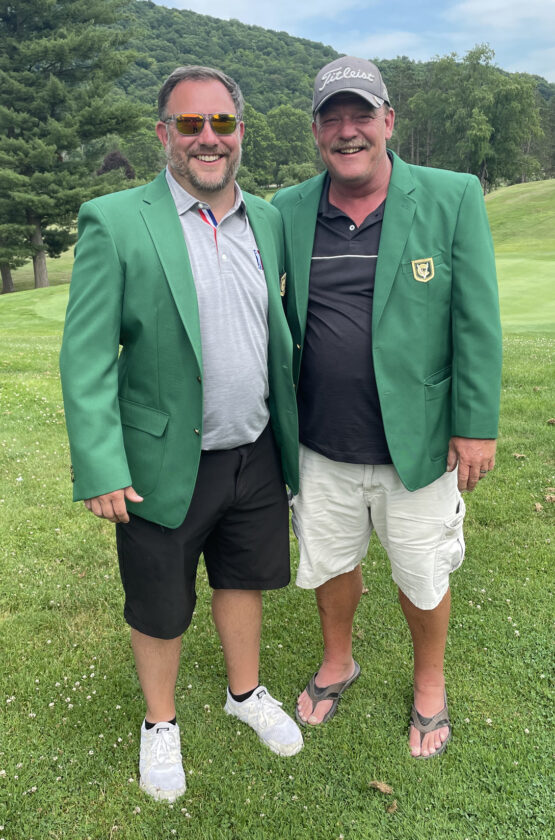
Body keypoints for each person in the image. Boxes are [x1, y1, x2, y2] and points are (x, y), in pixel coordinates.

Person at [60, 65, 303, 802]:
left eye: (221, 123)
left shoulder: (267, 220)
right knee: (160, 601)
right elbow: (86, 354)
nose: (207, 138)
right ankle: (160, 721)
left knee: (243, 578)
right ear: (164, 133)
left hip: (253, 448)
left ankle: (244, 693)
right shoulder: (115, 220)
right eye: (190, 124)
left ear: (240, 132)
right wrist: (100, 464)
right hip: (163, 456)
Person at [272, 56, 502, 758]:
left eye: (361, 115)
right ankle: (337, 660)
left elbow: (475, 321)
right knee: (330, 563)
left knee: (422, 573)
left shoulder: (451, 195)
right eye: (332, 118)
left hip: (420, 441)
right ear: (316, 130)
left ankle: (429, 682)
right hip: (320, 441)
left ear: (388, 122)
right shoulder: (286, 209)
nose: (347, 131)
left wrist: (474, 425)